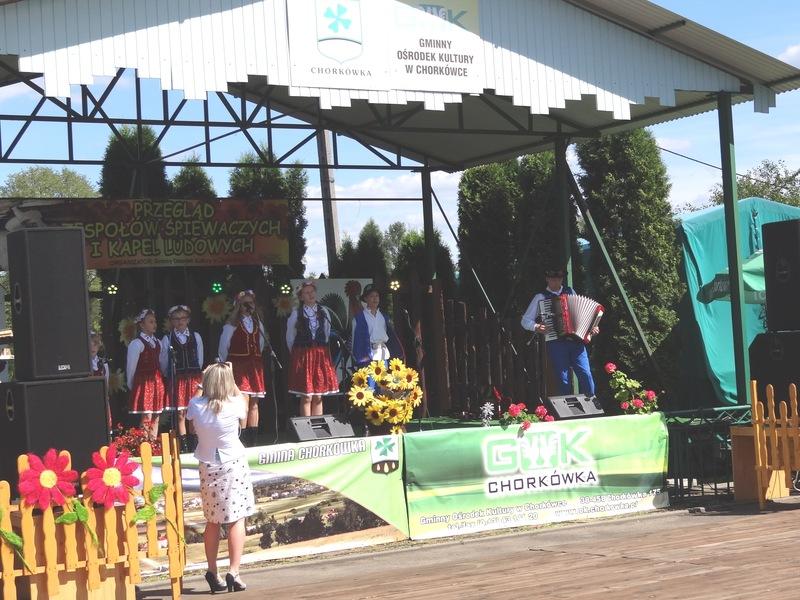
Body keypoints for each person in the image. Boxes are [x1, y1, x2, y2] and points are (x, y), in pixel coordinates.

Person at [186, 362, 254, 594]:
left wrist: (202, 382)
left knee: (212, 520)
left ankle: (212, 570)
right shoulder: (235, 403)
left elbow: (190, 417)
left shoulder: (196, 404)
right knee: (237, 518)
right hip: (232, 462)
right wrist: (230, 378)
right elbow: (243, 416)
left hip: (208, 464)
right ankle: (234, 571)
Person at [521, 268, 598, 397]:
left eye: (559, 279)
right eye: (553, 279)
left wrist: (592, 327)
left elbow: (582, 314)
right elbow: (525, 321)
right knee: (563, 379)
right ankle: (567, 407)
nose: (556, 281)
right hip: (556, 343)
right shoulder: (540, 297)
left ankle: (591, 402)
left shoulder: (570, 292)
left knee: (586, 374)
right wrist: (536, 326)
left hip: (576, 342)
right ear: (547, 279)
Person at [218, 290, 266, 446]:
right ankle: (242, 439)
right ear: (238, 306)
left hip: (254, 367)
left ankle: (253, 440)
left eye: (250, 303)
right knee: (242, 402)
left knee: (254, 403)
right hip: (239, 366)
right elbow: (223, 348)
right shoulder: (231, 325)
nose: (248, 306)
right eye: (244, 303)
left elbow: (261, 344)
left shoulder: (258, 324)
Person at [286, 280, 340, 417]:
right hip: (303, 355)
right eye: (306, 293)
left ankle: (318, 423)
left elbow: (326, 333)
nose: (310, 295)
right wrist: (298, 354)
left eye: (312, 291)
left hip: (320, 354)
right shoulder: (296, 314)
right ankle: (306, 425)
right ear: (301, 297)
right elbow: (290, 337)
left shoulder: (323, 311)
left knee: (318, 394)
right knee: (307, 395)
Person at [160, 305, 203, 451]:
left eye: (183, 318)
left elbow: (200, 358)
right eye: (176, 319)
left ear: (188, 320)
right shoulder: (167, 339)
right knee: (180, 413)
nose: (180, 321)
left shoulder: (196, 336)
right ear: (172, 321)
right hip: (178, 378)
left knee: (194, 413)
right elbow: (164, 361)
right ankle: (184, 447)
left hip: (193, 378)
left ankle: (194, 445)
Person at [126, 309, 167, 441]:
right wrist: (132, 384)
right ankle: (144, 444)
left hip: (156, 382)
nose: (154, 324)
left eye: (155, 321)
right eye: (150, 322)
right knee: (146, 415)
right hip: (144, 382)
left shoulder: (158, 343)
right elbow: (131, 366)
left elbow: (162, 363)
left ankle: (153, 443)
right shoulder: (137, 343)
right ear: (142, 325)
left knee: (156, 414)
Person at [350, 283, 404, 368]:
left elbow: (390, 337)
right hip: (367, 358)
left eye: (377, 296)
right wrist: (356, 359)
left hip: (383, 356)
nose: (375, 299)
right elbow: (354, 341)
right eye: (372, 296)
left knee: (384, 377)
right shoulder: (358, 319)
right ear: (365, 299)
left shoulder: (384, 317)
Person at [89, 331, 111, 432]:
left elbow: (106, 384)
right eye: (90, 344)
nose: (93, 347)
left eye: (95, 344)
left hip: (101, 400)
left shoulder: (103, 364)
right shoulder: (82, 365)